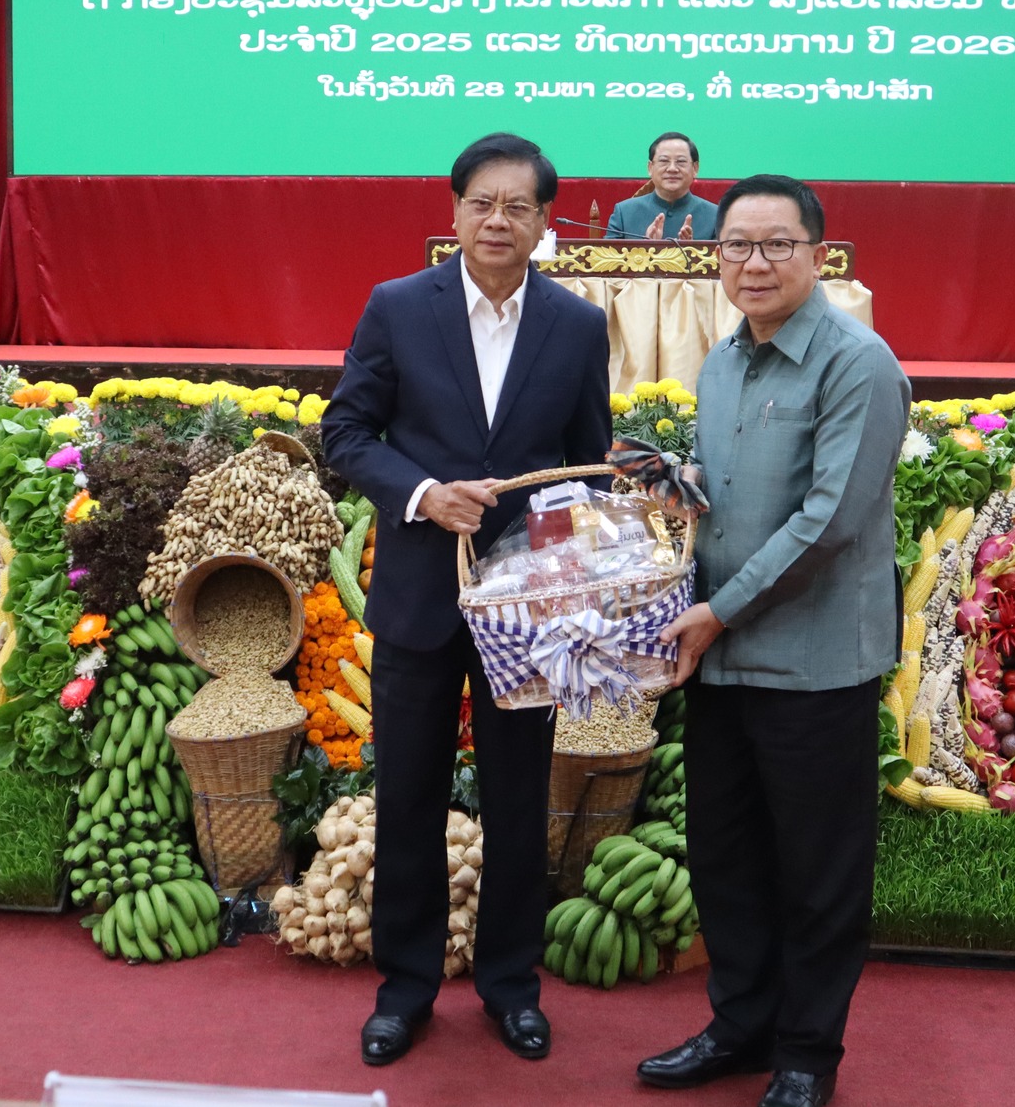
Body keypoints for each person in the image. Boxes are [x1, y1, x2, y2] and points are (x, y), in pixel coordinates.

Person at [323, 132, 612, 1069]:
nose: (497, 220)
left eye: (517, 206)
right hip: (419, 596)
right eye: (482, 202)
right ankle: (404, 990)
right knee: (407, 794)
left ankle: (511, 987)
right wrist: (420, 494)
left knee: (519, 801)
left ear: (544, 221)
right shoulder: (399, 306)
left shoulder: (575, 325)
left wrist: (562, 578)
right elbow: (345, 432)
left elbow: (584, 470)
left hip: (525, 611)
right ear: (454, 211)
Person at [638, 175, 909, 1107]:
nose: (754, 263)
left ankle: (806, 1053)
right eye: (736, 245)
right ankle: (740, 1024)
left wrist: (718, 610)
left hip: (814, 662)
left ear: (818, 255)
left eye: (776, 244)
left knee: (818, 871)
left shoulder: (857, 363)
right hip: (721, 658)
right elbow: (727, 496)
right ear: (714, 256)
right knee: (727, 856)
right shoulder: (723, 362)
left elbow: (827, 521)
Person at [606, 132, 718, 240]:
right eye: (664, 161)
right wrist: (647, 247)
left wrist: (691, 249)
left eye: (681, 161)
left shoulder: (715, 216)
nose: (672, 169)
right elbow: (608, 252)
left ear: (695, 168)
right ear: (650, 168)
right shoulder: (624, 213)